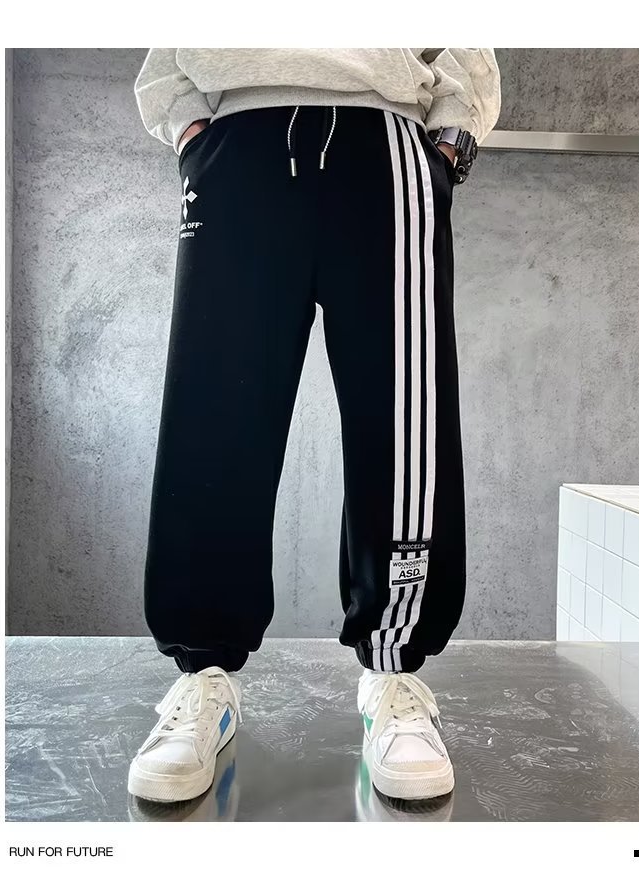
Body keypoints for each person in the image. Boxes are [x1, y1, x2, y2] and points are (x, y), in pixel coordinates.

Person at [127, 48, 501, 805]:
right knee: (213, 419)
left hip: (386, 139)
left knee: (404, 417)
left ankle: (393, 677)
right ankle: (204, 679)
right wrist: (191, 129)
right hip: (238, 140)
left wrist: (449, 140)